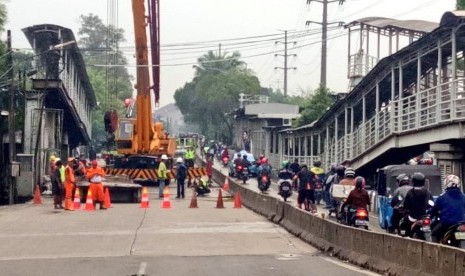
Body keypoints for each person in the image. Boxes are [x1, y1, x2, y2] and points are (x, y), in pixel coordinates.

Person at [431, 174, 465, 242]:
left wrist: (431, 215)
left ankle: (437, 251)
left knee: (434, 234)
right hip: (461, 223)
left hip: (446, 224)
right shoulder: (463, 197)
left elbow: (434, 211)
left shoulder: (442, 197)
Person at [402, 172, 433, 237]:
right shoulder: (428, 192)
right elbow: (431, 203)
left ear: (413, 181)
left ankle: (407, 236)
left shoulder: (410, 192)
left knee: (404, 224)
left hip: (413, 217)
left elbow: (406, 205)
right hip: (425, 217)